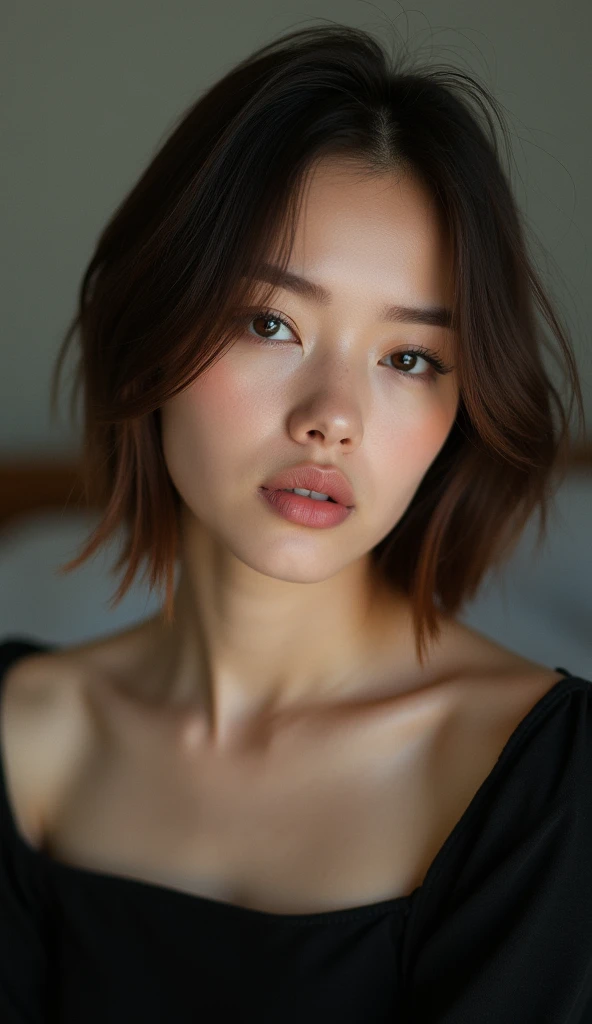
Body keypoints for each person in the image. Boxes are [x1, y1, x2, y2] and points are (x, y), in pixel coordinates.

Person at [1, 22, 590, 1024]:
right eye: (270, 322)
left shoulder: (542, 780)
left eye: (409, 358)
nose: (334, 415)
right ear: (157, 329)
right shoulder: (27, 738)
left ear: (460, 409)